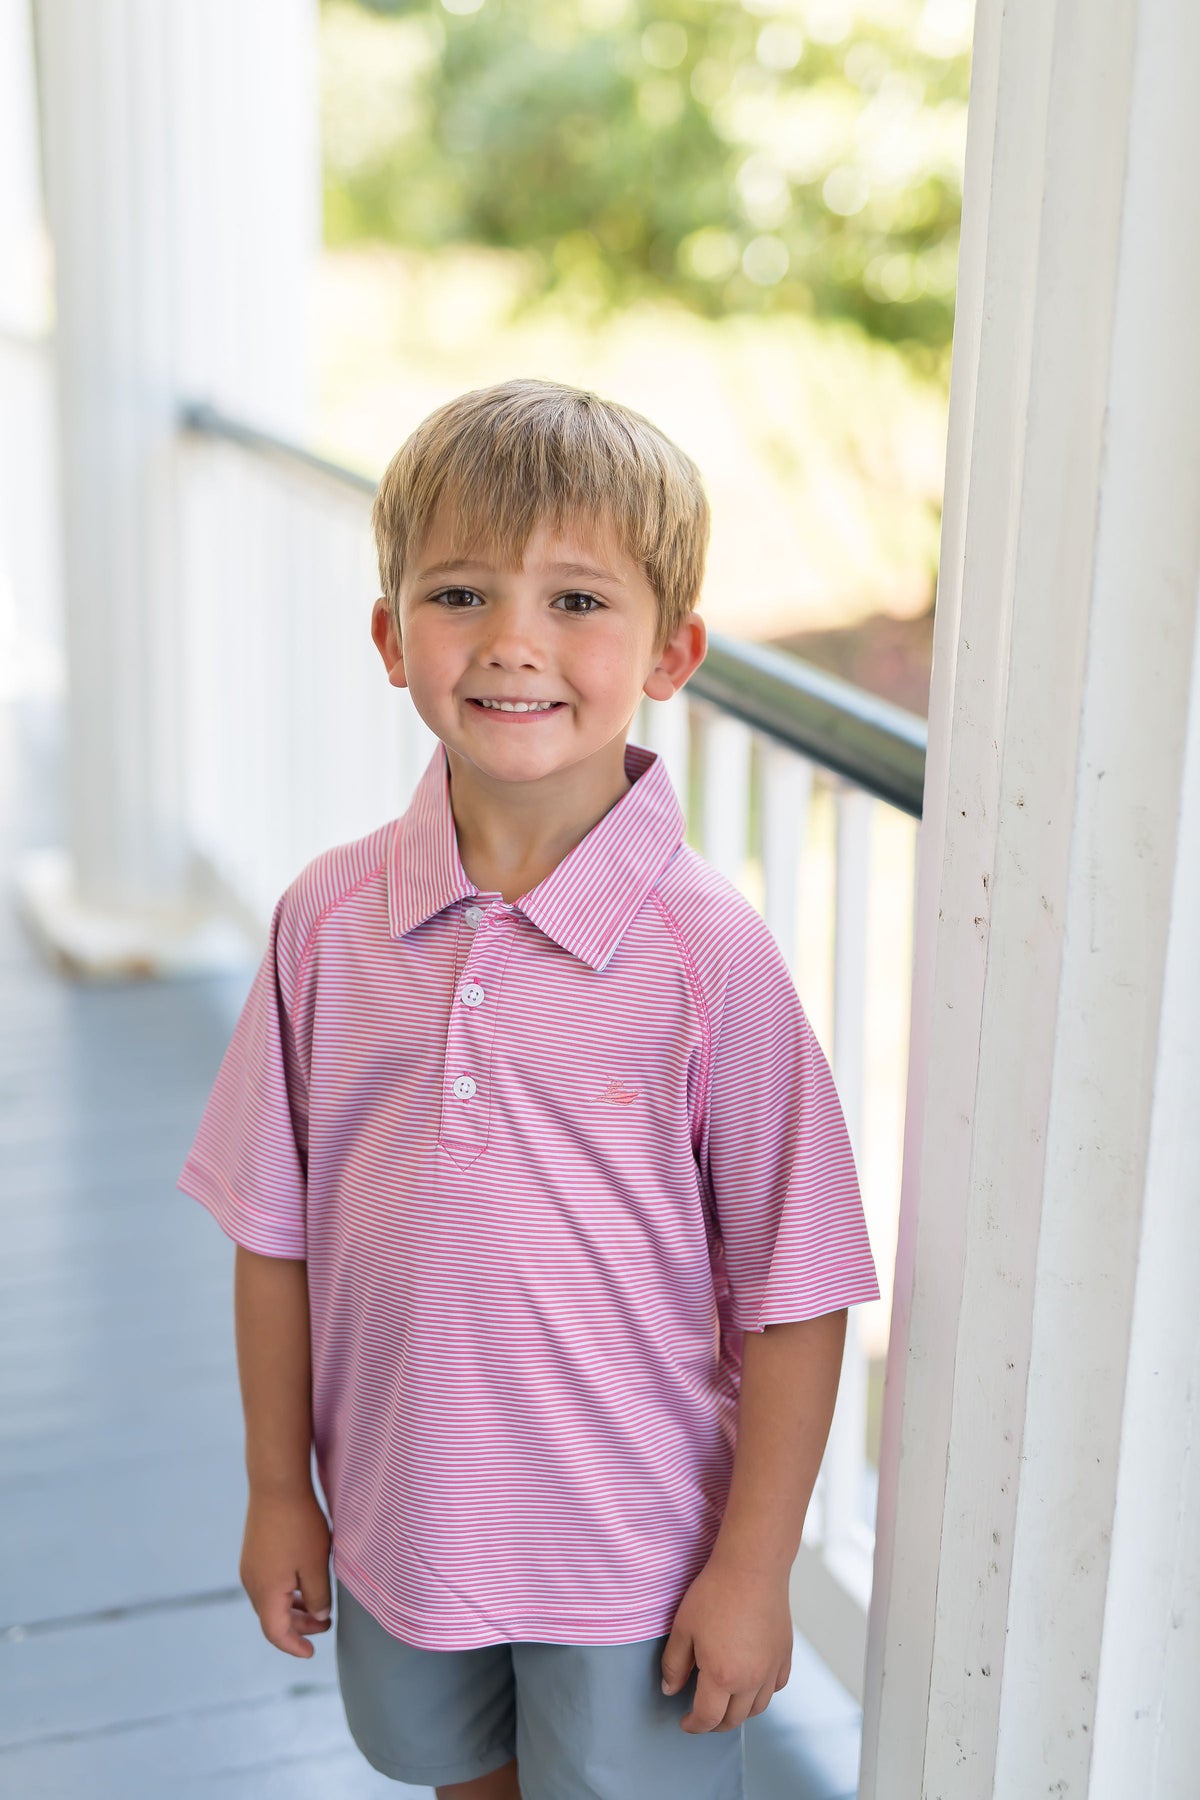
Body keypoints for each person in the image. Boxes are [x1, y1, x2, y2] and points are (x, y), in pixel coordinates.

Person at [175, 377, 881, 1800]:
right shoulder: (326, 921)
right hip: (404, 1520)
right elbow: (274, 1232)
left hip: (635, 1551)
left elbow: (798, 1291)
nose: (511, 643)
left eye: (576, 602)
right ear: (391, 637)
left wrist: (755, 1566)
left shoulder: (708, 958)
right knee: (459, 1779)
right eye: (459, 594)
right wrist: (275, 1491)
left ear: (670, 651)